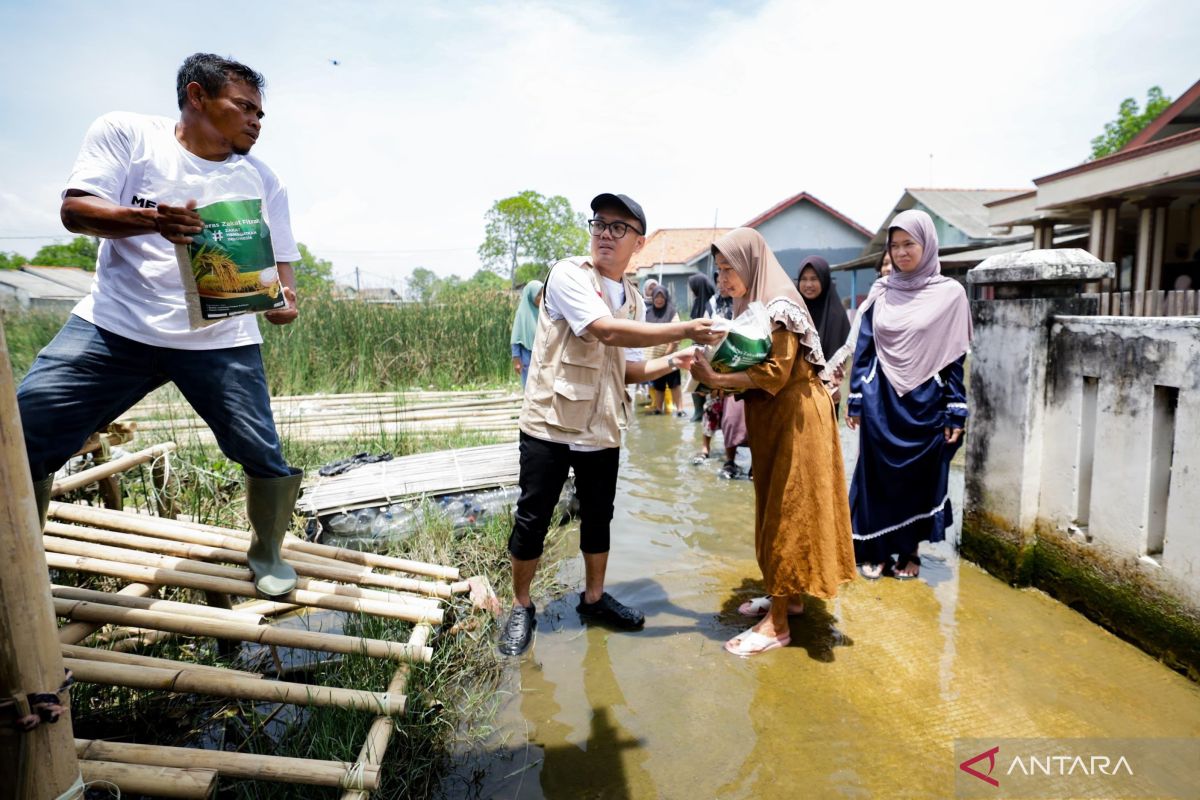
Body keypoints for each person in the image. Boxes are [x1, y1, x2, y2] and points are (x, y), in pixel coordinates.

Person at [16, 53, 304, 598]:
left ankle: (267, 549)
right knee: (27, 429)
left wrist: (283, 303)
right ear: (197, 97)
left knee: (262, 452)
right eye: (244, 108)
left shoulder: (263, 180)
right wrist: (152, 220)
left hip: (221, 339)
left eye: (261, 115)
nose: (256, 122)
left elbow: (282, 271)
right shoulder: (127, 134)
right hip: (115, 326)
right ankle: (19, 549)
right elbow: (76, 211)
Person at [499, 193, 720, 656]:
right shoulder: (568, 275)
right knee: (534, 517)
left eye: (619, 227)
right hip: (551, 422)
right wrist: (683, 329)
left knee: (599, 518)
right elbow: (604, 331)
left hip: (602, 427)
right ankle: (521, 605)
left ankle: (594, 598)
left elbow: (629, 369)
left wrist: (672, 362)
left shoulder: (634, 300)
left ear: (637, 242)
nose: (605, 233)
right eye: (600, 223)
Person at [689, 228, 856, 657]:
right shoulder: (754, 304)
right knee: (777, 506)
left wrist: (717, 379)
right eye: (719, 271)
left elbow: (776, 374)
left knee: (788, 511)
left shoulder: (780, 304)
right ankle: (790, 596)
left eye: (729, 270)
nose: (723, 280)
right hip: (774, 419)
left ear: (750, 265)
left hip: (797, 418)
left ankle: (777, 624)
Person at [846, 210, 972, 580]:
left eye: (909, 244)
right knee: (877, 477)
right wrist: (856, 396)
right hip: (880, 400)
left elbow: (954, 358)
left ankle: (909, 552)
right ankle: (876, 550)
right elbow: (864, 347)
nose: (900, 253)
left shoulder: (950, 295)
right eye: (894, 246)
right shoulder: (882, 292)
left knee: (918, 478)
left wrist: (956, 411)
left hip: (924, 403)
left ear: (927, 245)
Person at [796, 256, 852, 415]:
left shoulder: (836, 315)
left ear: (825, 280)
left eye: (814, 279)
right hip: (794, 395)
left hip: (826, 393)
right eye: (804, 279)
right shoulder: (793, 313)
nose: (808, 284)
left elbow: (841, 359)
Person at [644, 285, 686, 417]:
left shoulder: (672, 312)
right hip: (654, 358)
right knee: (658, 385)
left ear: (666, 298)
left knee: (674, 384)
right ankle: (658, 408)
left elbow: (677, 337)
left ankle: (679, 409)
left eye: (662, 297)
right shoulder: (648, 313)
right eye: (657, 297)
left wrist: (667, 353)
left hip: (670, 357)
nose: (659, 300)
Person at [686, 273, 717, 421]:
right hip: (697, 345)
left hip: (707, 347)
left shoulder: (712, 303)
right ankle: (699, 413)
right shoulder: (699, 302)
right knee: (696, 382)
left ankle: (702, 415)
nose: (692, 291)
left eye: (693, 288)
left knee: (704, 383)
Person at [510, 279, 544, 389]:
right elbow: (516, 338)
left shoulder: (544, 312)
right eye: (538, 294)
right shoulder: (522, 314)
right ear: (530, 295)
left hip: (542, 355)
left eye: (543, 293)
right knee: (529, 387)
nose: (542, 297)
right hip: (527, 357)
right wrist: (516, 359)